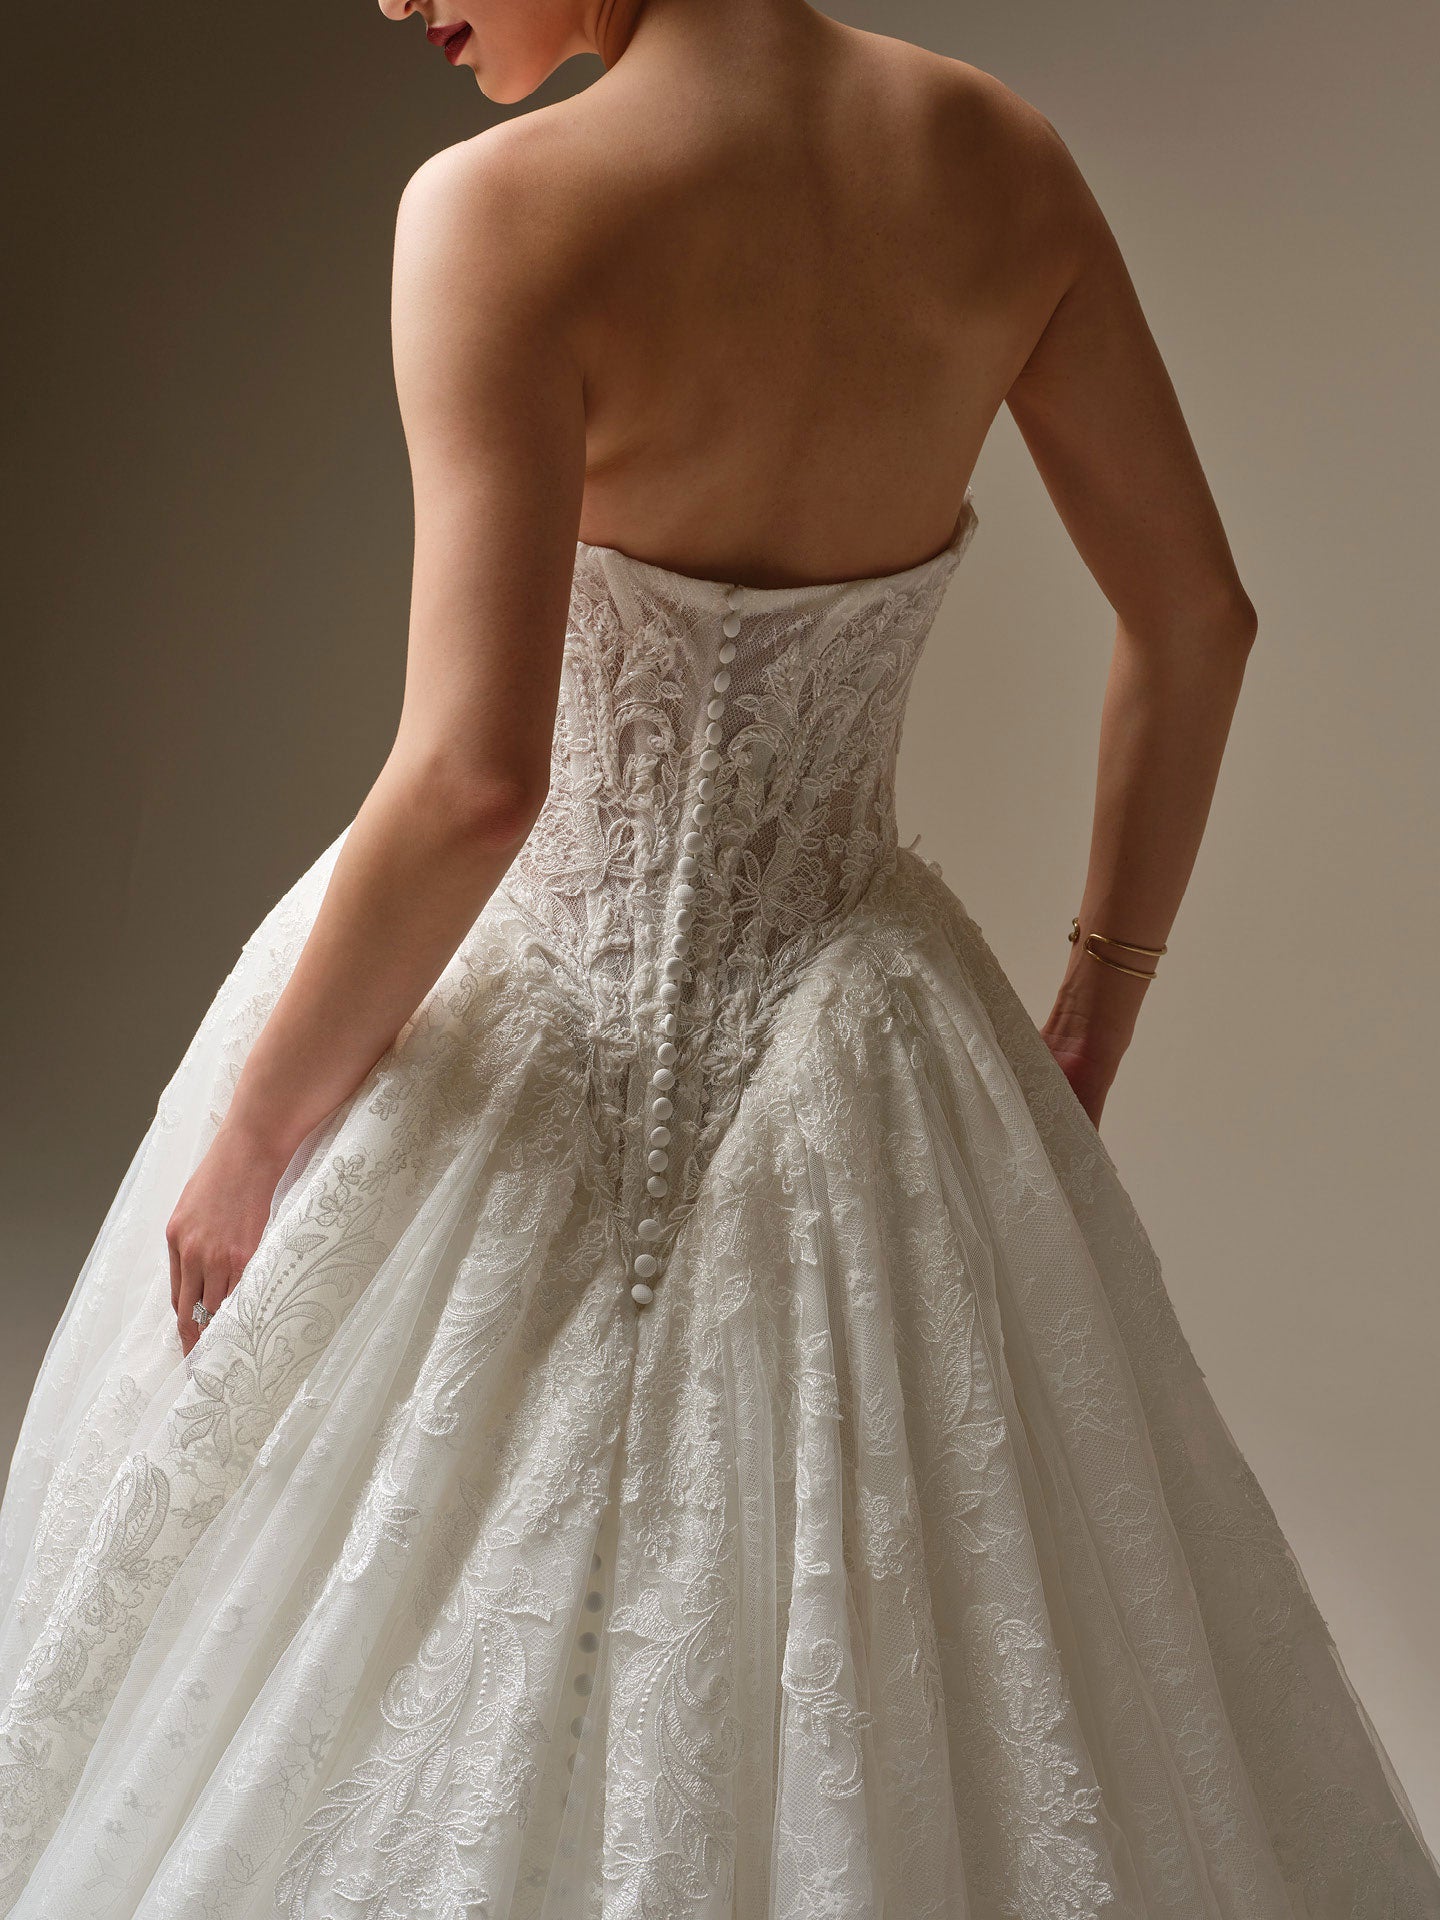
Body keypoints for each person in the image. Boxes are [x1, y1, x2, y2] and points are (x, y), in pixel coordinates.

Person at [0, 0, 1435, 1913]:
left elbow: (468, 782)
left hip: (519, 1010)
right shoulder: (999, 161)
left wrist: (258, 1139)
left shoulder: (500, 214)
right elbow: (1200, 616)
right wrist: (1091, 1005)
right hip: (870, 1026)